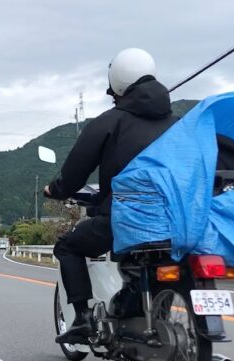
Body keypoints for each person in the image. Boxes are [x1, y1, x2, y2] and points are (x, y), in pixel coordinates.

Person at [44, 48, 179, 344]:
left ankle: (81, 319)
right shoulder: (179, 124)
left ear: (117, 84)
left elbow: (75, 174)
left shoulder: (110, 121)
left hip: (124, 218)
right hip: (176, 221)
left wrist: (55, 190)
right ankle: (154, 316)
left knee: (68, 247)